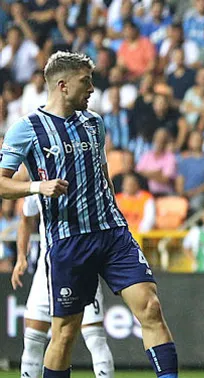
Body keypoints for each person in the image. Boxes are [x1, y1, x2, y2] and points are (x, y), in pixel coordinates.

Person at [0, 51, 178, 378]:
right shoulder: (26, 129)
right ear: (63, 85)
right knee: (65, 334)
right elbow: (1, 184)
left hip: (112, 234)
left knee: (151, 308)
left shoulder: (94, 123)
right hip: (68, 242)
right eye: (86, 81)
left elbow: (102, 174)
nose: (92, 88)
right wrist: (39, 188)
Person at [11, 195, 116, 378]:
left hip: (82, 266)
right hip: (47, 269)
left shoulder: (86, 180)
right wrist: (21, 257)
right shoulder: (39, 182)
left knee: (95, 338)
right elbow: (26, 218)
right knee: (33, 339)